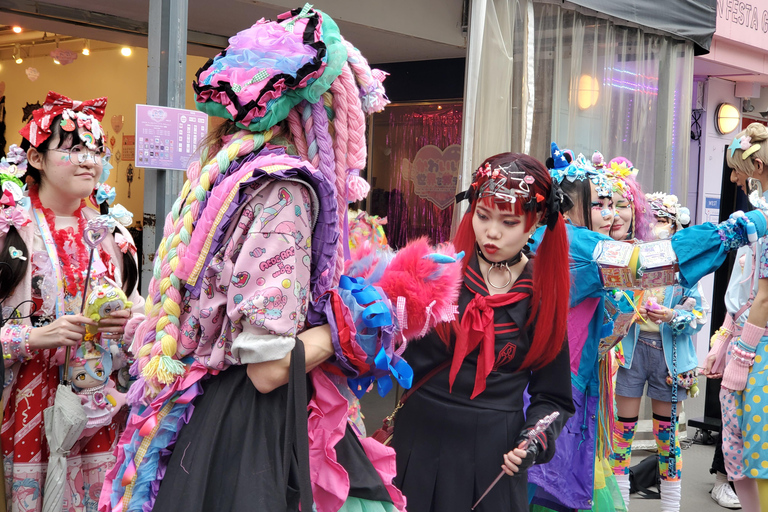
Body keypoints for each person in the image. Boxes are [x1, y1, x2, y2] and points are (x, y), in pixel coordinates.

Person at [100, 7, 409, 512]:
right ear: (323, 109)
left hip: (201, 412)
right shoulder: (284, 189)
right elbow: (267, 366)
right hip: (256, 430)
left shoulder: (224, 175)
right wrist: (350, 327)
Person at [527, 142, 768, 512]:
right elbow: (646, 264)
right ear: (568, 207)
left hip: (570, 382)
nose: (610, 215)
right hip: (557, 386)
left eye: (615, 204)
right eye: (599, 204)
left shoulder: (562, 240)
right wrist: (735, 230)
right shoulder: (576, 244)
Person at [390, 152, 575, 512]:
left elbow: (553, 397)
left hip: (494, 451)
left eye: (508, 222)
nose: (491, 232)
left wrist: (532, 441)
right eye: (483, 215)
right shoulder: (438, 272)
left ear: (535, 221)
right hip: (418, 439)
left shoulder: (542, 294)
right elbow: (392, 348)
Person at [0, 93, 143, 512]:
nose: (88, 161)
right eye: (73, 149)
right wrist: (32, 336)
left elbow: (139, 310)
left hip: (103, 399)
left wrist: (132, 322)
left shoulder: (117, 235)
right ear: (37, 158)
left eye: (96, 150)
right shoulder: (10, 233)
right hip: (33, 398)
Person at [610, 193, 706, 512]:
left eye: (664, 220)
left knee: (667, 437)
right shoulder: (630, 258)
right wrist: (628, 307)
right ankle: (619, 504)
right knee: (622, 432)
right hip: (632, 352)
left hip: (669, 357)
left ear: (675, 224)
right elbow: (611, 300)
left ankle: (671, 507)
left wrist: (673, 316)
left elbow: (699, 316)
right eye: (653, 220)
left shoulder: (685, 265)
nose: (658, 227)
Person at [704, 122, 768, 512]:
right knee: (737, 449)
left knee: (756, 450)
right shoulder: (758, 216)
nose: (733, 178)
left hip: (759, 354)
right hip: (744, 341)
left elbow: (764, 299)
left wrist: (741, 357)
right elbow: (743, 291)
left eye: (737, 170)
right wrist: (725, 339)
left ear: (757, 165)